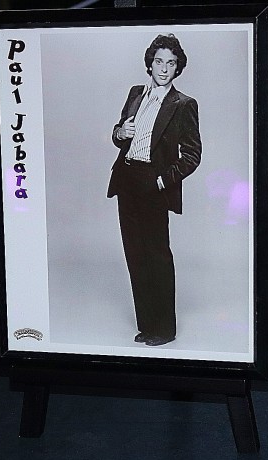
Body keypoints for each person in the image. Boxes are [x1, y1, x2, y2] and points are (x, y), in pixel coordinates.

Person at [107, 33, 202, 347]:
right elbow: (119, 134)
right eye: (159, 61)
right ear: (150, 63)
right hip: (126, 179)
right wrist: (120, 132)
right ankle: (147, 325)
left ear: (177, 68)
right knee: (135, 253)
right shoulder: (136, 93)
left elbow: (192, 155)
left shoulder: (183, 104)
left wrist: (162, 180)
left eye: (170, 63)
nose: (163, 68)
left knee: (157, 255)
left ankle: (164, 329)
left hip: (153, 182)